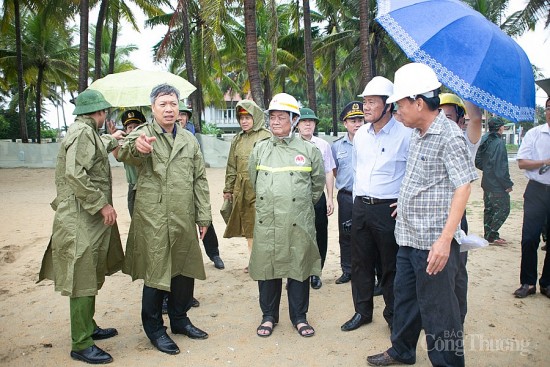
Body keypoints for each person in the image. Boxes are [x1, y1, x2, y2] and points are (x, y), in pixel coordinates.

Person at [367, 63, 477, 367]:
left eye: (400, 104)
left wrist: (444, 240)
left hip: (433, 243)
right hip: (408, 235)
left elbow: (463, 187)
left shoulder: (449, 136)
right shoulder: (417, 132)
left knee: (440, 313)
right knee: (405, 300)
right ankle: (402, 349)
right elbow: (422, 179)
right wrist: (405, 202)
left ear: (418, 102)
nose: (396, 111)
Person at [118, 84, 212, 355]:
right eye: (163, 104)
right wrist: (138, 149)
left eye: (173, 103)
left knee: (184, 271)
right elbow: (124, 151)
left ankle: (180, 320)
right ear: (153, 109)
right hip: (154, 217)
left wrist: (203, 214)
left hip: (183, 214)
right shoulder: (142, 134)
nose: (169, 109)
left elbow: (199, 179)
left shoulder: (188, 139)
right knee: (156, 273)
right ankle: (155, 330)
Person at [38, 89, 125, 364]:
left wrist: (115, 138)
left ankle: (88, 327)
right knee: (82, 278)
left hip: (85, 219)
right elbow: (76, 174)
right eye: (104, 114)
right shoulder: (83, 133)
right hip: (80, 219)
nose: (105, 118)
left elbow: (97, 148)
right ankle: (81, 343)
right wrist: (102, 205)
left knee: (91, 272)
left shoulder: (86, 131)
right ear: (98, 113)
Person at [248, 93, 325, 338]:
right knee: (267, 267)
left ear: (294, 120)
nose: (275, 121)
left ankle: (299, 317)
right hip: (268, 220)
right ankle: (268, 316)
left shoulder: (309, 150)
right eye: (272, 116)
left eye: (282, 117)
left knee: (298, 266)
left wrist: (298, 208)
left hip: (298, 221)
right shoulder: (259, 149)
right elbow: (254, 181)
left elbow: (317, 186)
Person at [341, 77, 412, 333]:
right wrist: (356, 204)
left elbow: (413, 173)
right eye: (364, 101)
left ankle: (393, 314)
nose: (365, 107)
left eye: (372, 102)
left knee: (390, 265)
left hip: (388, 209)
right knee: (360, 262)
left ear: (388, 106)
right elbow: (358, 171)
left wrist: (403, 201)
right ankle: (362, 311)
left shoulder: (406, 135)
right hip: (361, 206)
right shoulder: (360, 135)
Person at [439, 92, 482, 324]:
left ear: (460, 121)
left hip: (455, 217)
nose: (442, 121)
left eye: (448, 116)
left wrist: (466, 90)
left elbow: (476, 120)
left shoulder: (464, 141)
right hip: (431, 216)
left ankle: (458, 317)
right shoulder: (430, 138)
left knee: (456, 271)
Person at [223, 99, 271, 272]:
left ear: (256, 117)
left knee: (263, 224)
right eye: (241, 117)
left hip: (261, 189)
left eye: (248, 117)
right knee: (248, 225)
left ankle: (264, 260)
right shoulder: (237, 139)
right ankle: (252, 260)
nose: (244, 121)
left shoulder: (266, 136)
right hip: (241, 188)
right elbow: (231, 165)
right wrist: (228, 189)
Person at [177, 101, 225, 270]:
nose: (179, 118)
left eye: (183, 115)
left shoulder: (192, 137)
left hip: (193, 187)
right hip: (176, 191)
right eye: (178, 114)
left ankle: (214, 253)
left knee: (205, 220)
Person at [513, 97, 550, 299]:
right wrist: (545, 161)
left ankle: (547, 283)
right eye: (548, 108)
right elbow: (521, 162)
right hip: (536, 190)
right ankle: (528, 282)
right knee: (529, 238)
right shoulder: (535, 134)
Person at [297, 107, 335, 289]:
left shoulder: (322, 145)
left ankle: (316, 272)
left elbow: (328, 171)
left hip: (318, 197)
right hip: (297, 198)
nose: (308, 124)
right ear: (297, 124)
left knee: (320, 233)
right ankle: (298, 272)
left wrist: (330, 198)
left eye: (311, 121)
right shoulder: (291, 144)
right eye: (304, 121)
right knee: (298, 234)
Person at [331, 102, 365, 284]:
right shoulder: (337, 147)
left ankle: (370, 271)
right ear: (345, 123)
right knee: (346, 234)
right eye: (353, 120)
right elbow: (335, 170)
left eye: (360, 119)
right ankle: (347, 270)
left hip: (365, 197)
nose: (357, 124)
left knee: (368, 235)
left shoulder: (370, 142)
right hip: (345, 196)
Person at [475, 117, 514, 245]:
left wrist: (487, 169)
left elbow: (478, 161)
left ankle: (489, 235)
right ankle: (492, 233)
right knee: (504, 208)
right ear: (500, 128)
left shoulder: (485, 139)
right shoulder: (499, 143)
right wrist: (507, 184)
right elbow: (501, 168)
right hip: (497, 185)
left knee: (489, 209)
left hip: (487, 181)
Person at [111, 109, 146, 216]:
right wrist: (114, 139)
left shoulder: (148, 142)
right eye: (129, 127)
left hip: (148, 187)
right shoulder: (125, 146)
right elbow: (118, 155)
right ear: (125, 131)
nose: (133, 130)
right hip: (133, 187)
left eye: (136, 126)